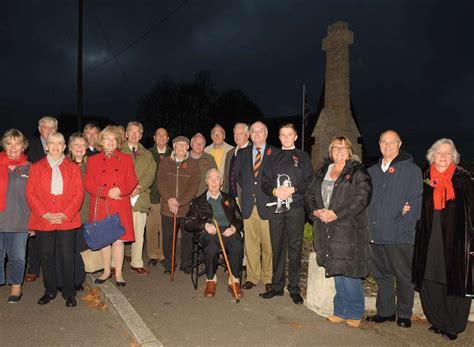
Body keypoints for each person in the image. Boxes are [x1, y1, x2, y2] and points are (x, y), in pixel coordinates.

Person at [306, 136, 372, 327]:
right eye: (336, 147)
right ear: (330, 151)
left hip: (347, 228)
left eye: (344, 147)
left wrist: (337, 214)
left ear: (350, 151)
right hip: (325, 226)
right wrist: (315, 211)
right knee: (335, 268)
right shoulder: (322, 172)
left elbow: (362, 198)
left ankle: (355, 312)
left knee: (349, 271)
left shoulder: (358, 172)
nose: (340, 150)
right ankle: (340, 310)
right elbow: (310, 194)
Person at [412, 139, 473, 340]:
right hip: (430, 239)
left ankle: (453, 325)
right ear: (432, 155)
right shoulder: (424, 177)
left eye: (448, 153)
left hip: (456, 241)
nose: (444, 156)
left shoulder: (463, 179)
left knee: (454, 281)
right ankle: (438, 320)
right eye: (440, 153)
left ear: (454, 156)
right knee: (431, 278)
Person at [366, 130, 423, 328]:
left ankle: (404, 314)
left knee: (404, 276)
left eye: (392, 142)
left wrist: (403, 227)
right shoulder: (372, 172)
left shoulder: (411, 170)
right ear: (379, 144)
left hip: (399, 235)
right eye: (384, 142)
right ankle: (385, 312)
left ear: (400, 144)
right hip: (375, 234)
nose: (388, 146)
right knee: (382, 275)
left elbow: (415, 204)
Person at [26, 132, 84, 307]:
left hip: (66, 219)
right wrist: (44, 213)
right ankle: (50, 290)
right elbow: (31, 193)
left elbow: (78, 194)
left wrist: (66, 213)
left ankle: (69, 292)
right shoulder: (36, 167)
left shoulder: (73, 168)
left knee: (67, 256)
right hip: (44, 219)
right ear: (47, 146)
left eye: (60, 143)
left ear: (65, 147)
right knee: (46, 256)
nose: (56, 146)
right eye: (52, 143)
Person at [260, 123, 313, 305]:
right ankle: (276, 286)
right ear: (279, 137)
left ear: (296, 136)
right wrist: (275, 191)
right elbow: (264, 182)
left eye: (289, 134)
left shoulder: (303, 156)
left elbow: (309, 182)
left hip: (296, 208)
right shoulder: (271, 156)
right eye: (282, 135)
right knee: (277, 247)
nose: (286, 138)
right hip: (275, 207)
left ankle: (294, 288)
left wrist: (293, 188)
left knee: (295, 248)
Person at [84, 126, 138, 286]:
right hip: (102, 203)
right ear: (101, 141)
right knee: (104, 240)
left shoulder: (126, 158)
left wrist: (120, 189)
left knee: (119, 240)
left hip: (120, 203)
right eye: (107, 139)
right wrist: (107, 192)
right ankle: (106, 271)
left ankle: (119, 274)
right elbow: (88, 183)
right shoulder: (92, 160)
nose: (111, 142)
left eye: (114, 139)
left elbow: (132, 180)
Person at [185, 168, 244, 298]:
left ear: (221, 181)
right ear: (206, 181)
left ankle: (234, 279)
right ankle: (211, 279)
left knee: (237, 244)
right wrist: (204, 225)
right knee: (211, 246)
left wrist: (234, 228)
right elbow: (188, 223)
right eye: (210, 178)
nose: (214, 181)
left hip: (227, 231)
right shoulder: (197, 201)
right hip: (207, 233)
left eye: (217, 178)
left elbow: (239, 219)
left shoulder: (230, 199)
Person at [235, 121, 276, 291]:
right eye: (253, 131)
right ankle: (252, 276)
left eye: (260, 131)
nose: (257, 134)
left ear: (266, 134)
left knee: (268, 245)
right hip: (247, 205)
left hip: (266, 205)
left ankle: (268, 278)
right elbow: (239, 177)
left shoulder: (274, 153)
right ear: (249, 135)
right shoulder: (242, 154)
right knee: (250, 245)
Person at [157, 136, 200, 274]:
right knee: (168, 238)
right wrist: (170, 199)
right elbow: (161, 182)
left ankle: (186, 264)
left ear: (188, 147)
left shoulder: (193, 165)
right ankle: (169, 264)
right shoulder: (165, 163)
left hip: (186, 208)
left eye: (184, 145)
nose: (181, 148)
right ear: (174, 147)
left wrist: (179, 201)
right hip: (167, 208)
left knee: (187, 238)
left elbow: (193, 187)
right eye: (178, 145)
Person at [25, 116, 58, 282]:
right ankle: (33, 267)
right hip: (36, 196)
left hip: (55, 197)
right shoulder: (29, 146)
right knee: (34, 232)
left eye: (53, 128)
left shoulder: (60, 147)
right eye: (46, 128)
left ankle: (52, 269)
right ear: (40, 130)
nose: (50, 131)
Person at [120, 121, 157, 275]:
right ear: (126, 134)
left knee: (138, 232)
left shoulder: (147, 154)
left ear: (141, 135)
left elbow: (151, 173)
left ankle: (136, 263)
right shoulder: (118, 151)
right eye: (131, 131)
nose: (134, 135)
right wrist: (126, 189)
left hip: (140, 197)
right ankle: (115, 263)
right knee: (118, 232)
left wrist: (139, 187)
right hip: (121, 198)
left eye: (138, 132)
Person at [0, 129, 31, 303]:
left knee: (18, 256)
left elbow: (35, 197)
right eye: (9, 143)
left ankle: (16, 287)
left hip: (21, 220)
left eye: (17, 143)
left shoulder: (30, 167)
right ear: (4, 145)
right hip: (0, 219)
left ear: (23, 146)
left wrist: (34, 221)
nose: (13, 147)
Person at [146, 128, 172, 266]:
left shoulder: (173, 153)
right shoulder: (148, 153)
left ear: (168, 139)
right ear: (154, 138)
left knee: (165, 227)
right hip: (153, 196)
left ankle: (163, 254)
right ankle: (152, 254)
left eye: (164, 135)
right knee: (151, 227)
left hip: (168, 198)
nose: (161, 137)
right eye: (159, 135)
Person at [67, 132, 89, 291]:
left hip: (86, 212)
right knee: (67, 248)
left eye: (83, 145)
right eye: (76, 145)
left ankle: (78, 279)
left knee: (80, 249)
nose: (80, 148)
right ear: (69, 147)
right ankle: (66, 278)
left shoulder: (92, 164)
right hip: (67, 213)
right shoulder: (64, 164)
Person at [222, 122, 250, 197]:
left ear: (247, 135)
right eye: (235, 133)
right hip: (231, 198)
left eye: (240, 133)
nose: (237, 136)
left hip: (247, 198)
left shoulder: (254, 151)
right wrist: (224, 195)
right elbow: (226, 178)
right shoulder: (229, 153)